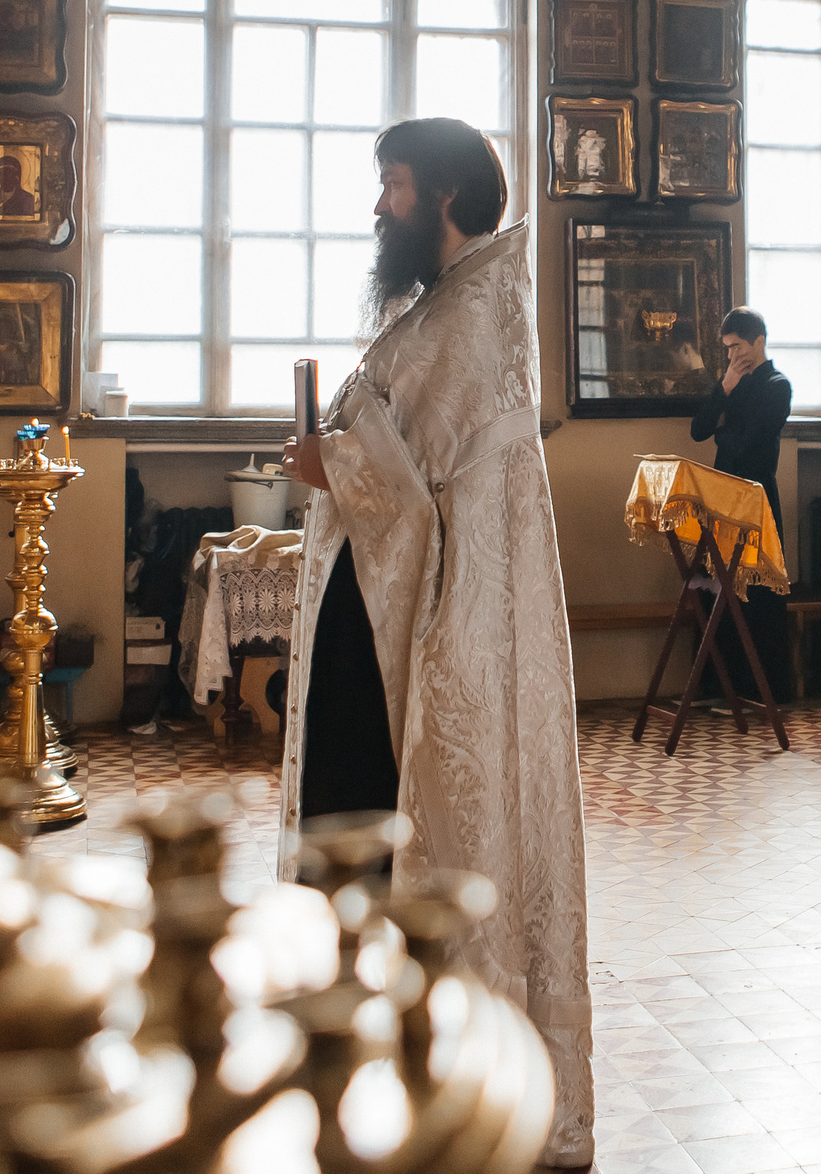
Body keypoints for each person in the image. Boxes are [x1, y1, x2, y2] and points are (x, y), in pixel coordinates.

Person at [277, 117, 592, 1167]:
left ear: (446, 197)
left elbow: (418, 499)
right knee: (351, 815)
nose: (380, 207)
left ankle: (405, 1057)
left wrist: (333, 469)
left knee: (374, 819)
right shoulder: (448, 307)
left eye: (394, 186)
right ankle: (366, 1040)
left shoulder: (466, 322)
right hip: (380, 615)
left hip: (425, 628)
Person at [690, 308, 795, 703]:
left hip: (756, 496)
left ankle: (762, 689)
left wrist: (724, 431)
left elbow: (750, 445)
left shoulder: (777, 385)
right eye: (727, 348)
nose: (732, 354)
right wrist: (725, 388)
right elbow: (699, 430)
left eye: (737, 346)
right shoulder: (731, 381)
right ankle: (722, 686)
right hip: (722, 499)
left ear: (758, 341)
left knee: (757, 594)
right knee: (719, 590)